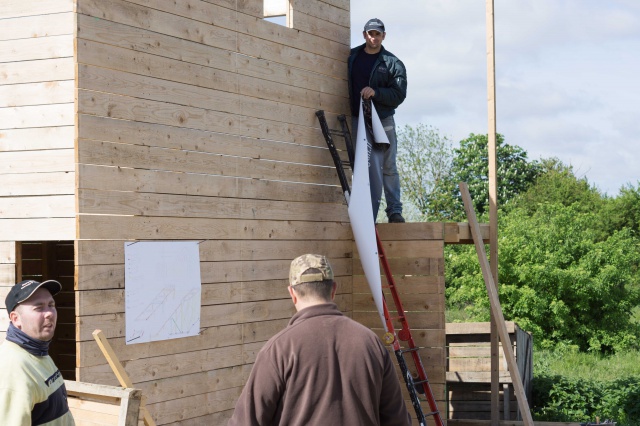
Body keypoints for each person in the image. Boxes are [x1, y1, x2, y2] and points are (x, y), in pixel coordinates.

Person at [228, 254, 411, 426]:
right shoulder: (371, 343)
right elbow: (398, 420)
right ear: (333, 290)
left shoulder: (278, 349)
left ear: (292, 293)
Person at [348, 18, 408, 223]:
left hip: (383, 120)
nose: (373, 37)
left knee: (387, 166)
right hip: (358, 119)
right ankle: (366, 214)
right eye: (370, 33)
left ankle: (394, 211)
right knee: (361, 168)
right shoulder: (351, 57)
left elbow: (399, 94)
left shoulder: (393, 63)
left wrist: (376, 93)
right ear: (364, 35)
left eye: (378, 34)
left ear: (384, 36)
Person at [0, 279, 75, 425]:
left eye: (51, 305)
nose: (49, 313)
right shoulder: (13, 370)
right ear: (16, 319)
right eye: (39, 308)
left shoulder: (38, 352)